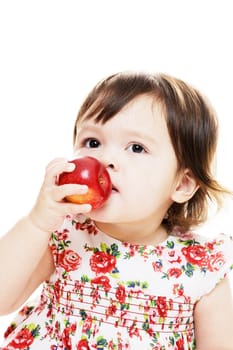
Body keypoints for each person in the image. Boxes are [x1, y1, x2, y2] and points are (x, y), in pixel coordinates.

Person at [0, 72, 233, 350]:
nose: (105, 159)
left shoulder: (199, 266)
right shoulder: (63, 233)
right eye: (93, 143)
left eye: (136, 147)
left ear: (182, 184)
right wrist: (37, 223)